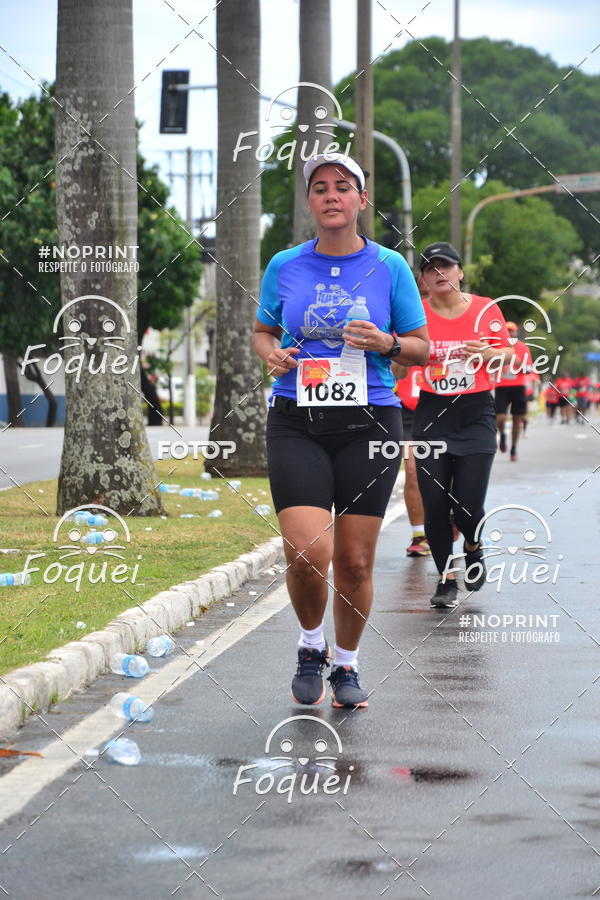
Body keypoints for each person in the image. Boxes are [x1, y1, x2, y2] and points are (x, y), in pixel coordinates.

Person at [252, 152, 429, 708]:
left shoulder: (391, 266)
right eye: (321, 188)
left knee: (354, 561)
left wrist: (388, 344)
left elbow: (421, 348)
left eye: (343, 187)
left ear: (361, 200)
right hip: (296, 420)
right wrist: (272, 355)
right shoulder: (284, 263)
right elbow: (260, 332)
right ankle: (311, 646)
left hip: (370, 420)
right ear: (309, 202)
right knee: (308, 552)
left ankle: (346, 666)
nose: (332, 196)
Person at [410, 242, 513, 608]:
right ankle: (445, 579)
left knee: (469, 504)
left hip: (475, 413)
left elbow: (510, 354)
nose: (439, 274)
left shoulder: (487, 309)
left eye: (446, 267)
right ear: (422, 279)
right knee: (435, 503)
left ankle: (472, 545)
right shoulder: (415, 313)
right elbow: (400, 355)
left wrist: (490, 353)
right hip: (432, 413)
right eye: (431, 269)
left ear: (460, 272)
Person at [394, 368, 430, 556]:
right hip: (406, 412)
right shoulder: (401, 336)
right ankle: (419, 536)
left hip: (439, 407)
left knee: (448, 468)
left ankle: (452, 516)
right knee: (413, 470)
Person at [494, 321, 532, 461]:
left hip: (518, 386)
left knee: (517, 419)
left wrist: (518, 363)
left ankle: (514, 448)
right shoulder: (497, 347)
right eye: (507, 331)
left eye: (512, 331)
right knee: (500, 418)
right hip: (501, 387)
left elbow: (529, 369)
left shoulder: (523, 348)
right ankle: (503, 434)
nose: (510, 333)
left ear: (516, 333)